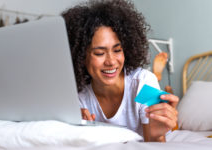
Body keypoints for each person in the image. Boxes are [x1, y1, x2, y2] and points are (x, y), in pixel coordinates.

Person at [62, 0, 179, 142]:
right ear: (80, 56)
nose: (111, 61)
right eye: (99, 53)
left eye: (117, 50)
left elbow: (156, 144)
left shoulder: (144, 83)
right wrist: (73, 129)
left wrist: (157, 135)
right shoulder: (79, 96)